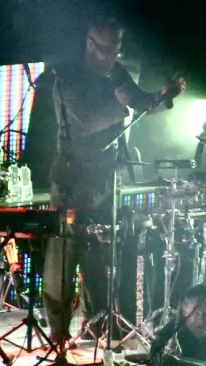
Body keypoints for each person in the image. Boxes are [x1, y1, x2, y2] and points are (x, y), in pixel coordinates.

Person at [42, 17, 185, 346]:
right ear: (90, 44)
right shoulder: (68, 77)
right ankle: (58, 330)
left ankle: (98, 323)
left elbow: (140, 104)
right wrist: (119, 105)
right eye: (106, 50)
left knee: (102, 252)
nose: (112, 57)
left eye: (117, 50)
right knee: (64, 253)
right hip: (73, 179)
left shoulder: (117, 73)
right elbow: (88, 121)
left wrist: (164, 95)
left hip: (107, 176)